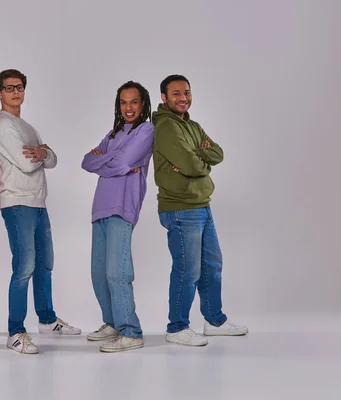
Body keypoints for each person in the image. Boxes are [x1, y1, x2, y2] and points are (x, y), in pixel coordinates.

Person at [152, 74, 249, 346]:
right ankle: (177, 326)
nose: (183, 98)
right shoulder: (166, 127)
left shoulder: (192, 125)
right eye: (176, 94)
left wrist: (199, 156)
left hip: (202, 206)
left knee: (212, 265)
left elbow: (217, 153)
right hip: (180, 208)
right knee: (187, 269)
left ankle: (214, 320)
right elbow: (194, 166)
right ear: (164, 98)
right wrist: (201, 161)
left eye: (187, 92)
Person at [0, 69, 81, 355]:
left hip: (39, 203)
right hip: (18, 203)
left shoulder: (26, 126)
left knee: (45, 264)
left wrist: (43, 152)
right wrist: (41, 154)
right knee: (24, 268)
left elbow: (50, 158)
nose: (16, 92)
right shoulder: (3, 125)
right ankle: (15, 332)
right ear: (0, 92)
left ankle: (46, 319)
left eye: (19, 87)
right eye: (9, 88)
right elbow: (28, 163)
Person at [82, 81, 154, 353]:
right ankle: (112, 322)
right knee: (98, 273)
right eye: (123, 103)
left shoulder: (146, 130)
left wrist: (110, 161)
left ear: (143, 104)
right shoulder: (113, 133)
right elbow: (86, 161)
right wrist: (114, 161)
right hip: (100, 206)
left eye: (134, 102)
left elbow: (124, 163)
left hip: (123, 206)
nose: (128, 108)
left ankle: (131, 331)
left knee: (117, 271)